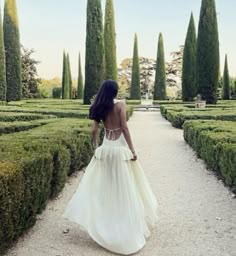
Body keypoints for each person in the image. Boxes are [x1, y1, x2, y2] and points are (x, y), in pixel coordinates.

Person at [63, 80, 158, 255]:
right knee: (124, 187)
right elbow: (125, 128)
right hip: (119, 151)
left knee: (105, 187)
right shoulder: (120, 104)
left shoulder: (100, 106)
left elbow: (94, 130)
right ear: (115, 91)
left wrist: (96, 146)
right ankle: (124, 223)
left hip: (105, 150)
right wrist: (132, 150)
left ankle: (105, 221)